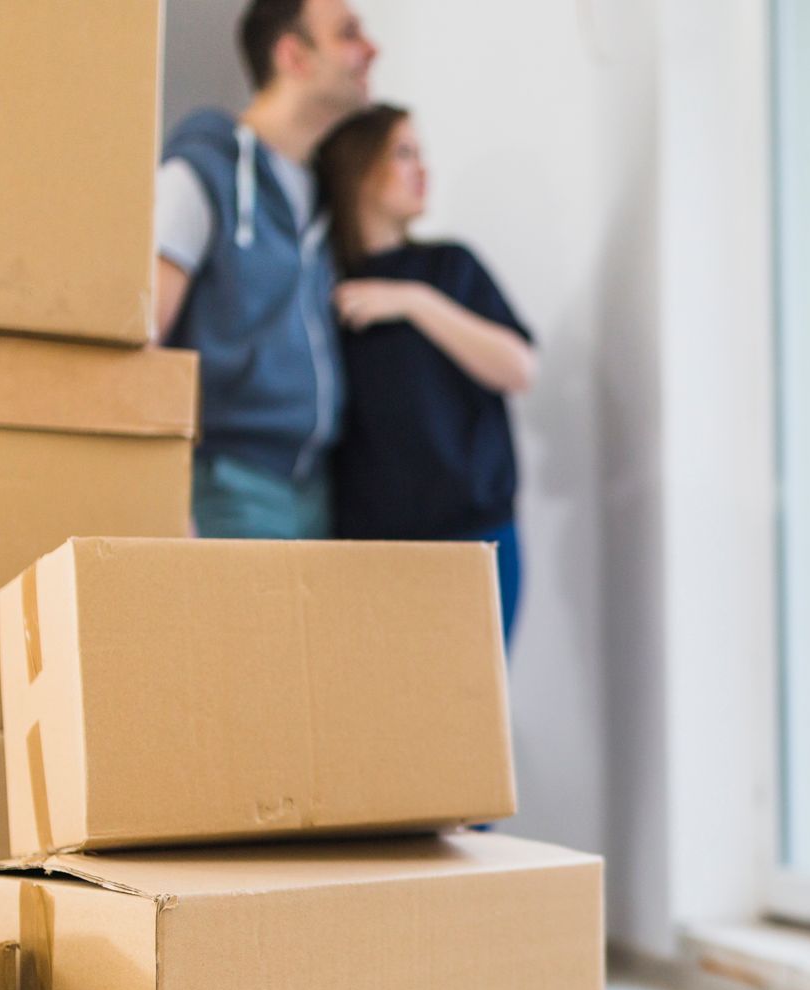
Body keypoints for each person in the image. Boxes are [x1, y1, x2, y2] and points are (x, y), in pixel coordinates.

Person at [313, 105, 537, 643]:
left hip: (476, 538)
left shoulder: (448, 268)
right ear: (358, 170)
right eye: (404, 153)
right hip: (370, 556)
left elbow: (518, 368)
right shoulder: (322, 289)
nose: (423, 170)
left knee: (473, 716)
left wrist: (414, 303)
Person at [155, 0, 377, 538]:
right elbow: (146, 338)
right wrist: (164, 492)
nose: (372, 49)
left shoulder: (324, 192)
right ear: (293, 55)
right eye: (348, 34)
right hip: (228, 484)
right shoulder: (202, 172)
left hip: (313, 489)